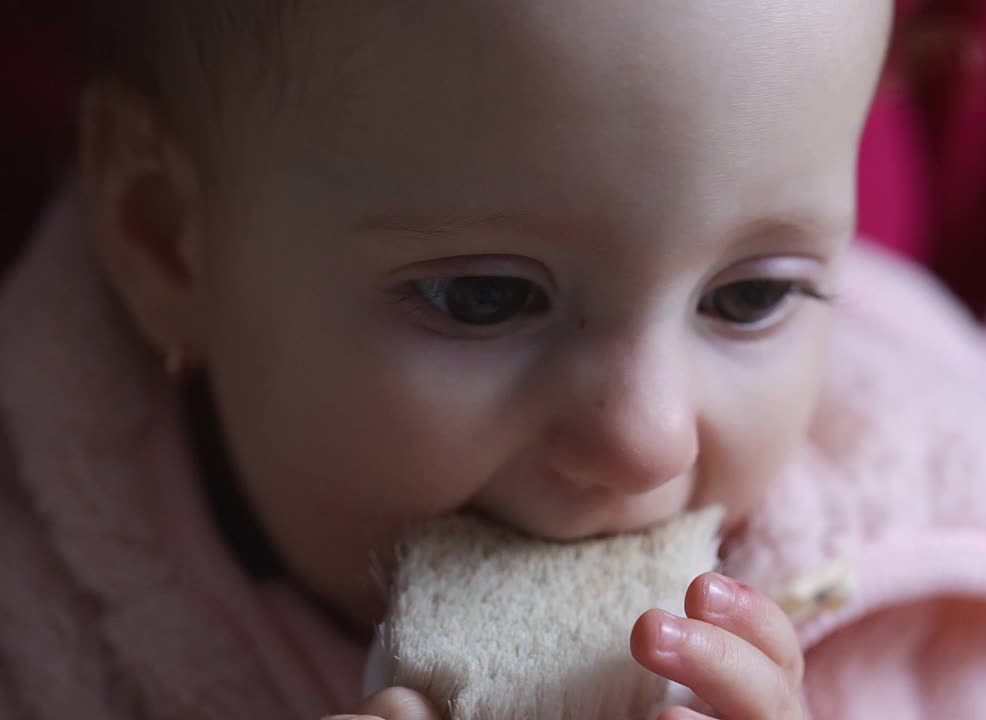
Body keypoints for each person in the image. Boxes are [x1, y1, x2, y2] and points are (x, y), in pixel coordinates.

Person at [1, 2, 889, 718]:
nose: (646, 444)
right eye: (486, 298)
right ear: (167, 235)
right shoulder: (38, 636)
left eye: (749, 298)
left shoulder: (919, 570)